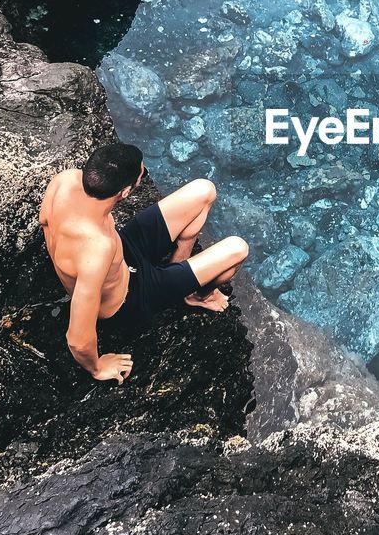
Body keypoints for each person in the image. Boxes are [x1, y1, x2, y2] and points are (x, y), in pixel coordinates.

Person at [39, 142, 248, 383]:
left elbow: (45, 220)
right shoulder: (96, 249)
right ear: (125, 192)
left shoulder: (65, 181)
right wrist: (96, 367)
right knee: (238, 249)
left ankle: (177, 264)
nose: (143, 174)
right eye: (141, 174)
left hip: (124, 250)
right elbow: (77, 338)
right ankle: (198, 296)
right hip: (133, 297)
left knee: (204, 190)